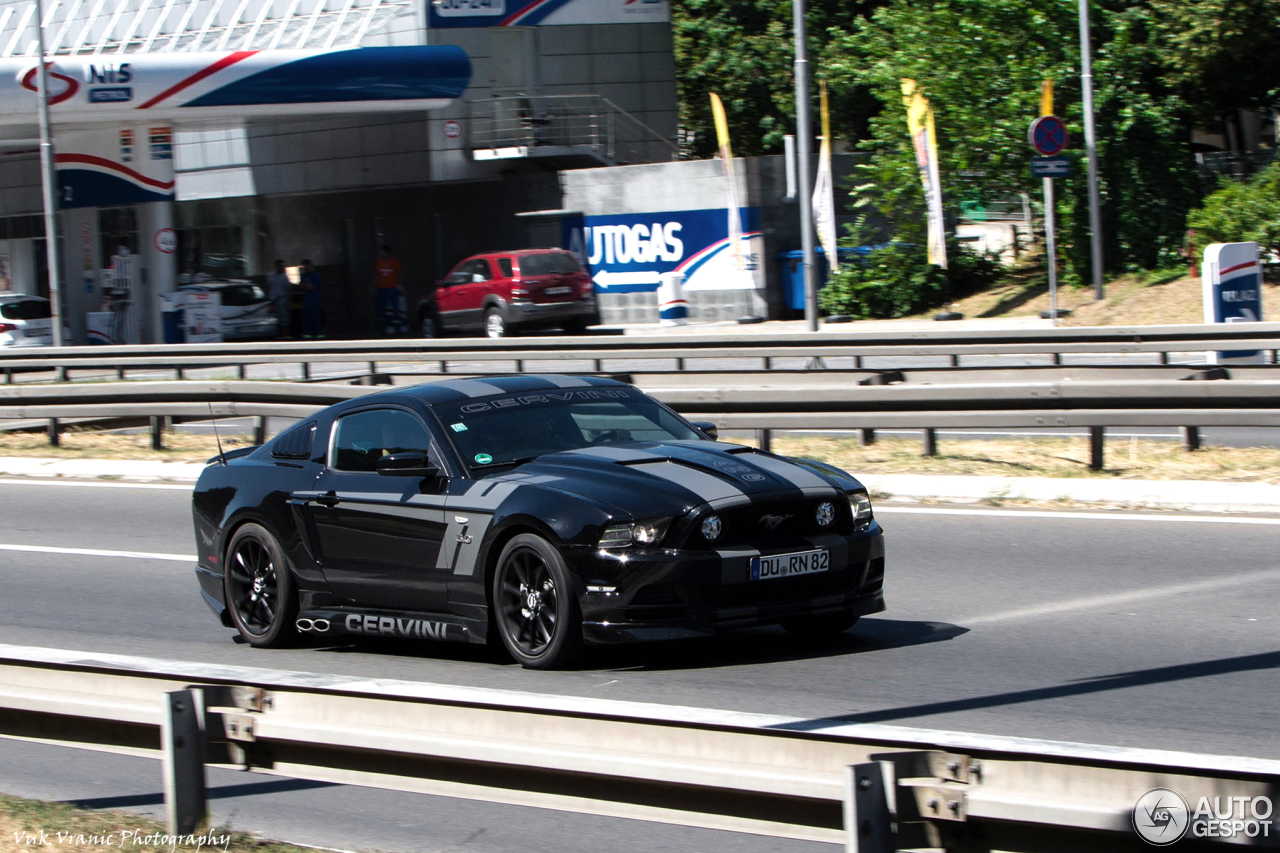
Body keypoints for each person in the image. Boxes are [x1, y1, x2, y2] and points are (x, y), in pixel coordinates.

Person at [374, 245, 404, 335]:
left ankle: (397, 329)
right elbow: (376, 275)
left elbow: (399, 274)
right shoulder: (378, 262)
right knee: (382, 309)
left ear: (386, 252)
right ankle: (383, 329)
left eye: (382, 252)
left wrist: (400, 286)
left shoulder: (394, 262)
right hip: (381, 288)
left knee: (395, 308)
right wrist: (374, 287)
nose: (380, 254)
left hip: (392, 288)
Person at [300, 259, 324, 339]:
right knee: (307, 320)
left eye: (305, 266)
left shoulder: (316, 275)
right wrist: (305, 286)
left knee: (316, 319)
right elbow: (301, 286)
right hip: (306, 302)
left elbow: (311, 287)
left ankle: (318, 334)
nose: (304, 268)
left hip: (315, 302)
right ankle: (307, 334)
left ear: (309, 265)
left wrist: (305, 286)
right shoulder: (304, 276)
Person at [265, 259, 290, 337]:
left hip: (282, 300)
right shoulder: (270, 276)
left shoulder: (284, 277)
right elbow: (267, 287)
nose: (282, 267)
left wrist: (289, 300)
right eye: (280, 266)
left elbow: (288, 288)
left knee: (284, 318)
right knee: (274, 319)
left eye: (283, 266)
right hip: (273, 301)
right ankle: (275, 335)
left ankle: (284, 335)